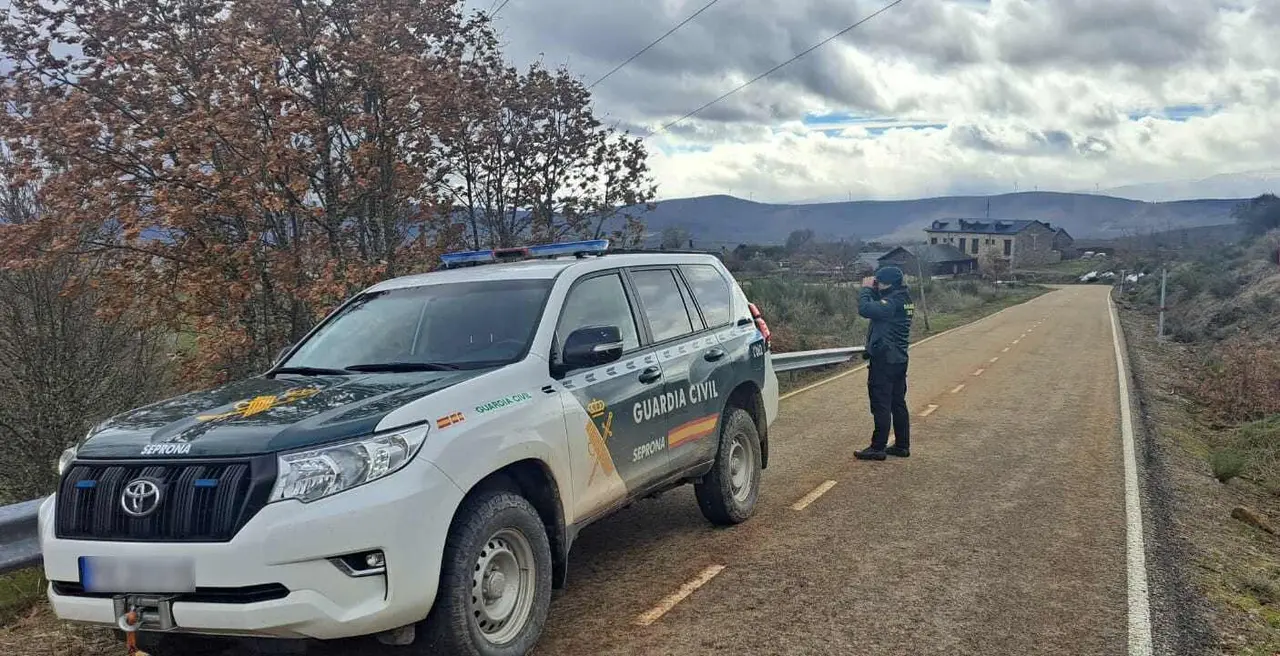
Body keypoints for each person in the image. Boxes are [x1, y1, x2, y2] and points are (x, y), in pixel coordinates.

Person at [854, 266, 914, 461]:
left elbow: (865, 309)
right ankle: (902, 445)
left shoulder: (892, 302)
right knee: (898, 402)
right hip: (899, 358)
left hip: (885, 360)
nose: (876, 283)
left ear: (887, 283)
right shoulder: (905, 299)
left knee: (881, 403)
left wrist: (866, 289)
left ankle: (877, 447)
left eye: (879, 281)